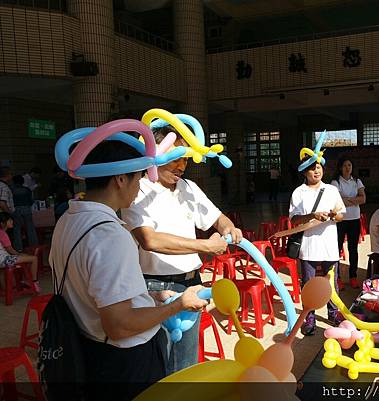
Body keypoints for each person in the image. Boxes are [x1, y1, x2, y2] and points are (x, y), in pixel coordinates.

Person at [49, 140, 208, 401]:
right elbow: (120, 326)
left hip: (86, 347)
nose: (140, 187)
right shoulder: (110, 234)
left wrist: (148, 295)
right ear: (121, 179)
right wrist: (178, 304)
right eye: (138, 178)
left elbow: (95, 286)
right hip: (124, 361)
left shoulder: (68, 220)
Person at [121, 125, 242, 374]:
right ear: (155, 155)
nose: (181, 166)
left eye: (185, 159)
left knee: (185, 361)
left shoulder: (188, 187)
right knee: (159, 361)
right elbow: (149, 240)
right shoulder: (138, 189)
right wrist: (205, 246)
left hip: (191, 284)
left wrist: (228, 227)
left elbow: (217, 218)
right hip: (156, 287)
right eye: (175, 159)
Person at [289, 156, 345, 336]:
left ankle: (333, 312)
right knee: (309, 284)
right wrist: (313, 215)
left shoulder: (331, 189)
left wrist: (334, 215)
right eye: (312, 168)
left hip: (329, 244)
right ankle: (309, 316)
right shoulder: (299, 192)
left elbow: (341, 214)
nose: (317, 171)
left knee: (331, 281)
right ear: (305, 172)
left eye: (319, 167)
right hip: (309, 245)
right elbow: (294, 219)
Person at [331, 157, 365, 289]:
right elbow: (337, 201)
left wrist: (347, 200)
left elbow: (363, 199)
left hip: (354, 219)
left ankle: (353, 276)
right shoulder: (335, 182)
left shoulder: (357, 181)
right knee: (337, 249)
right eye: (345, 165)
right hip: (341, 220)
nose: (347, 168)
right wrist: (354, 200)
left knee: (353, 249)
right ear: (340, 167)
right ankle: (337, 278)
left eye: (349, 165)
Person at [0, 212, 39, 292]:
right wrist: (21, 254)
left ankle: (6, 290)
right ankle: (34, 281)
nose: (12, 221)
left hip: (1, 261)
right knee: (34, 258)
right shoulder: (2, 233)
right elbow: (10, 250)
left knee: (1, 271)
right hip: (4, 259)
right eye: (9, 220)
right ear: (2, 223)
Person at [11, 175, 38, 251]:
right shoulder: (27, 190)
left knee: (17, 229)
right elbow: (31, 200)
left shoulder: (11, 190)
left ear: (13, 182)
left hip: (16, 210)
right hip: (27, 209)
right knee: (30, 229)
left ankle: (18, 247)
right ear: (22, 182)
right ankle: (34, 246)